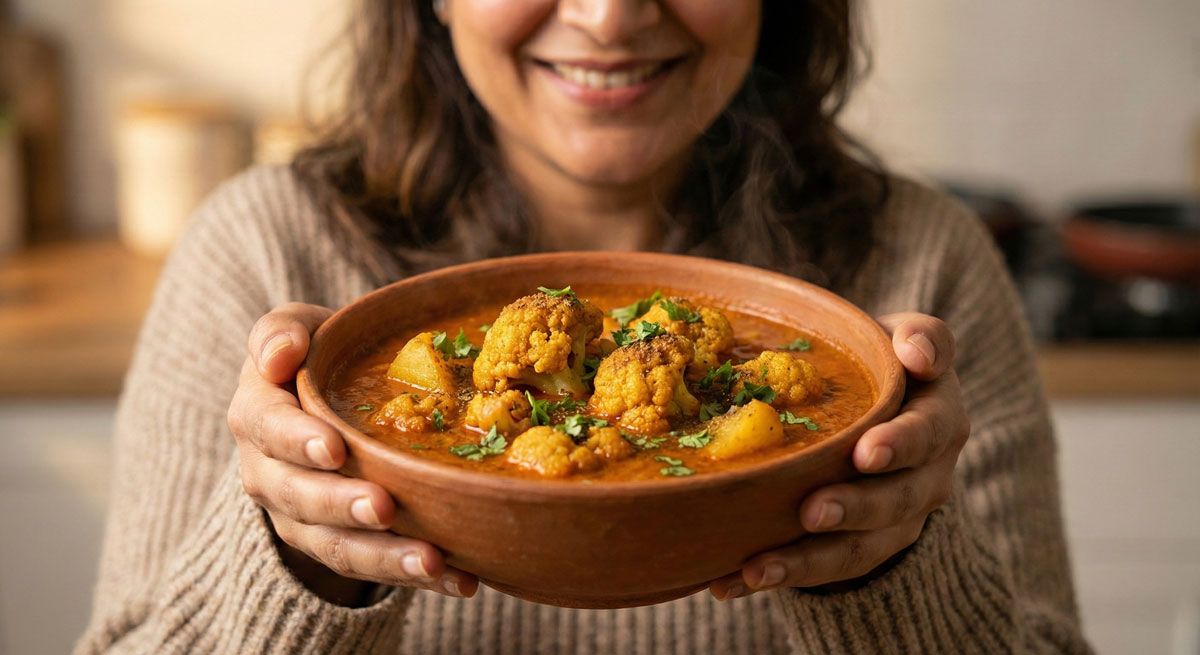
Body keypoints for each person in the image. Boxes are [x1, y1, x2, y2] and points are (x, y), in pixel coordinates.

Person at [76, 1, 1094, 653]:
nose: (609, 17)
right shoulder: (259, 252)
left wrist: (894, 569)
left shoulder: (927, 262)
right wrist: (297, 560)